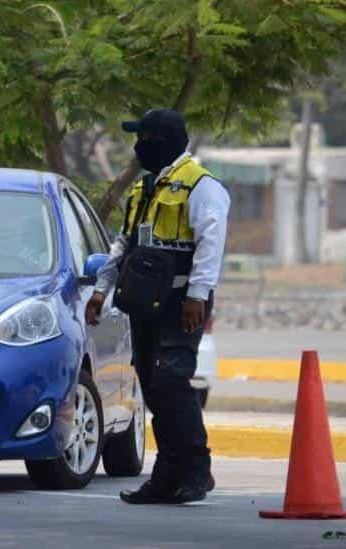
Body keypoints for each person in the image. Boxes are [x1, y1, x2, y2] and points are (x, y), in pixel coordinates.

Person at [85, 109, 230, 504]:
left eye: (144, 138)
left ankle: (196, 472)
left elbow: (210, 245)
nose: (138, 147)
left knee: (171, 381)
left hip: (182, 302)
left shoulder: (200, 186)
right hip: (144, 302)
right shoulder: (143, 188)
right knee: (153, 386)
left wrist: (198, 295)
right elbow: (123, 244)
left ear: (162, 141)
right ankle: (167, 477)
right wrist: (101, 289)